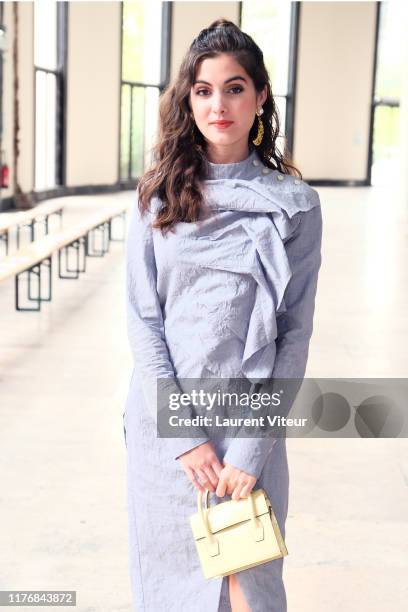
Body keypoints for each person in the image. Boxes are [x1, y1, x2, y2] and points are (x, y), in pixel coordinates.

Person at [122, 18, 322, 612]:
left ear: (260, 96)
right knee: (173, 588)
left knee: (247, 585)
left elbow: (294, 334)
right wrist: (185, 437)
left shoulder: (295, 205)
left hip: (246, 422)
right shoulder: (157, 197)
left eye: (235, 88)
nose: (219, 104)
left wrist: (251, 445)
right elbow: (144, 322)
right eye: (204, 90)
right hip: (168, 430)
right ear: (188, 99)